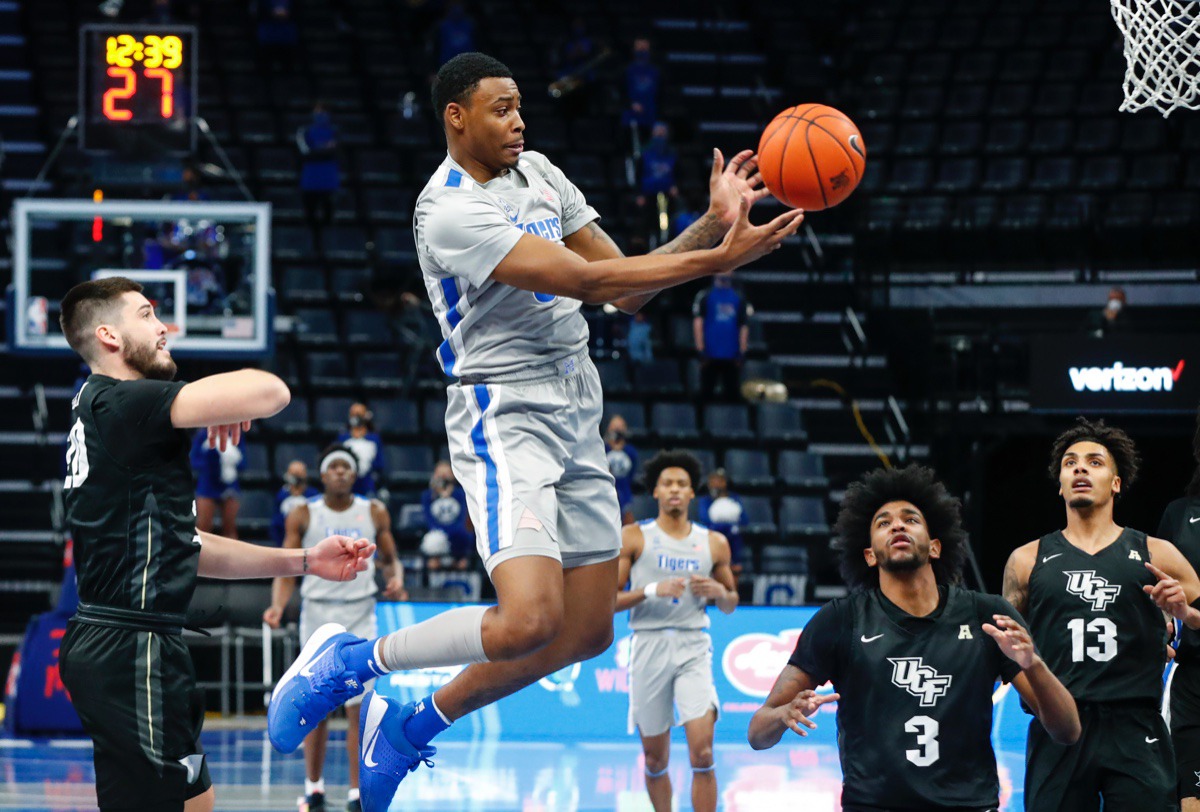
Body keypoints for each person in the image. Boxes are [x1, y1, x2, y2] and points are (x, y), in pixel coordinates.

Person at [266, 51, 801, 812]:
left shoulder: (542, 173)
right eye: (501, 108)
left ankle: (413, 725)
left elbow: (629, 284)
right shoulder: (447, 209)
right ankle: (356, 660)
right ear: (457, 116)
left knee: (584, 635)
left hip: (577, 401)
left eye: (521, 106)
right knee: (529, 617)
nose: (519, 120)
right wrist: (721, 257)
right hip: (503, 411)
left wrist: (712, 224)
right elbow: (585, 283)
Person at [54, 277, 374, 812]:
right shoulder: (124, 404)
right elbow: (271, 391)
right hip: (130, 650)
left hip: (138, 644)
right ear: (108, 334)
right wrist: (221, 402)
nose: (164, 328)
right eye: (148, 314)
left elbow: (189, 544)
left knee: (197, 801)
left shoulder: (107, 411)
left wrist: (304, 561)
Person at [749, 465, 1081, 811]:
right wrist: (782, 714)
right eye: (883, 522)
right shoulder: (840, 619)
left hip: (968, 805)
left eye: (911, 519)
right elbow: (758, 733)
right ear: (869, 554)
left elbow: (1068, 731)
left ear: (935, 547)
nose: (897, 525)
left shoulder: (986, 615)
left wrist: (1034, 664)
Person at [1002, 417, 1200, 811]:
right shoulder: (1026, 560)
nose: (1080, 468)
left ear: (1116, 482)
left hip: (1135, 722)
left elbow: (1191, 614)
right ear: (1059, 484)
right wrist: (1041, 704)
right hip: (1061, 727)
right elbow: (1003, 652)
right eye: (1070, 463)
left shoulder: (1156, 553)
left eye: (1094, 462)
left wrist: (1178, 615)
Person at [263, 445, 406, 812]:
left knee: (358, 707)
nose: (340, 472)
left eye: (346, 467)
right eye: (334, 467)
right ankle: (314, 788)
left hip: (361, 613)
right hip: (318, 617)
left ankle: (358, 795)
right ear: (323, 474)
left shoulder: (372, 510)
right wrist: (278, 605)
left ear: (354, 475)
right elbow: (288, 564)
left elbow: (390, 558)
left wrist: (396, 579)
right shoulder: (304, 513)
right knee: (316, 706)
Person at [615, 451, 737, 812]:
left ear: (691, 494)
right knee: (655, 760)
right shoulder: (634, 536)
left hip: (692, 645)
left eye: (682, 484)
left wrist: (719, 593)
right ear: (655, 491)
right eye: (667, 483)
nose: (674, 490)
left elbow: (732, 603)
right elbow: (608, 601)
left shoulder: (714, 542)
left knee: (702, 752)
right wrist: (652, 590)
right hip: (648, 644)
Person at [1162, 405, 1200, 811]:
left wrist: (1191, 617)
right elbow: (1163, 601)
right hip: (1193, 682)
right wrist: (1166, 629)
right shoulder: (1180, 514)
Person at [692, 271, 751, 401]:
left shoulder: (739, 297)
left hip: (731, 355)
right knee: (706, 395)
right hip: (709, 354)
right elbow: (698, 323)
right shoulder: (705, 295)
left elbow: (743, 326)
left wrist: (742, 351)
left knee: (732, 396)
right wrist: (700, 349)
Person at [189, 428, 244, 539]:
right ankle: (200, 555)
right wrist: (212, 463)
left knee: (230, 528)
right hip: (207, 485)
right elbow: (194, 460)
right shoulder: (202, 435)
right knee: (203, 527)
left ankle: (230, 556)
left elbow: (243, 462)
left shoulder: (235, 432)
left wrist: (229, 464)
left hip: (229, 486)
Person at [419, 460, 474, 570]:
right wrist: (438, 495)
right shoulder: (428, 495)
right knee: (433, 541)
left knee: (467, 536)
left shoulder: (461, 494)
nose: (443, 476)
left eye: (446, 473)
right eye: (440, 473)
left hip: (458, 536)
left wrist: (449, 495)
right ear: (435, 475)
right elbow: (430, 522)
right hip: (438, 535)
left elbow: (462, 519)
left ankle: (460, 563)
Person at [298, 103, 339, 232]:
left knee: (329, 219)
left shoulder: (336, 131)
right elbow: (306, 152)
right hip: (310, 179)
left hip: (329, 180)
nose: (320, 115)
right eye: (317, 112)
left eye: (323, 112)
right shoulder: (304, 131)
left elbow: (336, 150)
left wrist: (320, 150)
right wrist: (324, 149)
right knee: (309, 218)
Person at [696, 468, 745, 574]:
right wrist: (726, 526)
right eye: (713, 481)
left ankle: (734, 565)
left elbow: (744, 520)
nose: (716, 484)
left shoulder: (735, 499)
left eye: (719, 481)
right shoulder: (705, 500)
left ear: (725, 482)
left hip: (732, 537)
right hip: (713, 535)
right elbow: (705, 520)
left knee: (735, 531)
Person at [334, 403, 386, 498]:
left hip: (367, 484)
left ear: (366, 416)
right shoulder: (343, 438)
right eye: (354, 414)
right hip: (347, 483)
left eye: (359, 414)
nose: (356, 417)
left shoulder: (374, 438)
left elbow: (379, 464)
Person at [271, 460, 320, 547]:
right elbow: (276, 523)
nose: (297, 479)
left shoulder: (313, 494)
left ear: (305, 475)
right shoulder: (282, 495)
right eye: (294, 475)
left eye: (299, 475)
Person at [604, 415, 639, 526]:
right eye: (614, 428)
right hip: (605, 493)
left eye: (620, 428)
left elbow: (632, 472)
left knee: (627, 524)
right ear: (608, 429)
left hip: (625, 493)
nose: (617, 431)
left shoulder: (630, 451)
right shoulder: (602, 448)